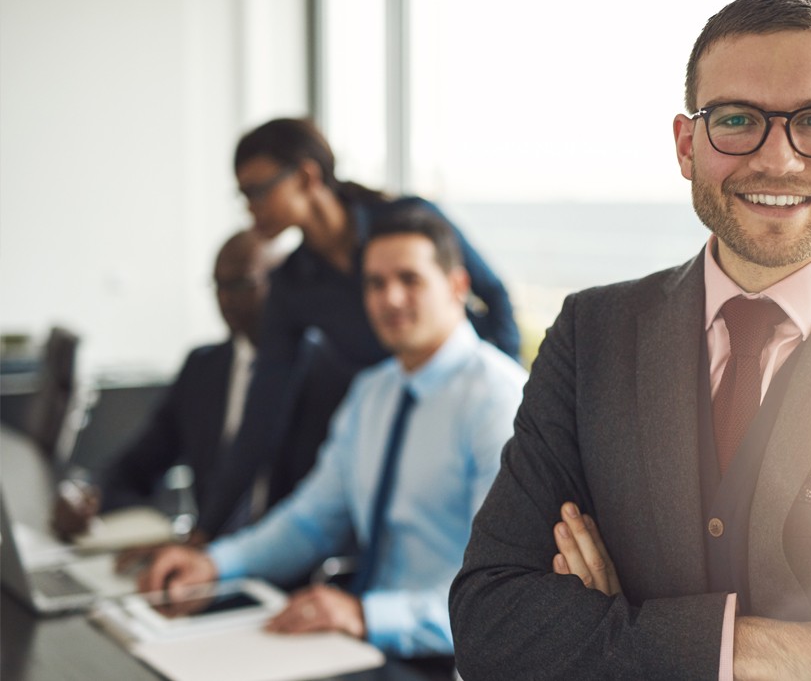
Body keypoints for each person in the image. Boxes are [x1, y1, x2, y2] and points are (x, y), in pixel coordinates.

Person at [449, 0, 811, 681]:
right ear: (687, 145)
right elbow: (492, 624)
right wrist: (757, 650)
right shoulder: (589, 337)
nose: (777, 159)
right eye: (738, 119)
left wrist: (619, 624)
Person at [139, 207, 527, 663]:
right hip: (360, 646)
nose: (390, 299)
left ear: (457, 286)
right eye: (375, 283)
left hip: (450, 657)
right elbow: (310, 521)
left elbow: (507, 593)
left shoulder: (500, 404)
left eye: (410, 279)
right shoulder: (372, 393)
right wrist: (214, 565)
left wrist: (366, 615)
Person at [198, 117, 520, 537]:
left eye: (257, 191)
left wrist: (510, 399)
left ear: (306, 176)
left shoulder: (407, 221)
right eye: (242, 195)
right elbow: (263, 411)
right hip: (387, 432)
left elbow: (493, 295)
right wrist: (205, 532)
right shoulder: (292, 284)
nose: (249, 207)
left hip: (461, 417)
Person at [51, 230, 282, 542]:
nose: (226, 299)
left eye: (241, 284)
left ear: (283, 285)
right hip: (203, 559)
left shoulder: (314, 371)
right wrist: (88, 496)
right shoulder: (203, 368)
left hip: (279, 565)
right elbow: (140, 461)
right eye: (218, 285)